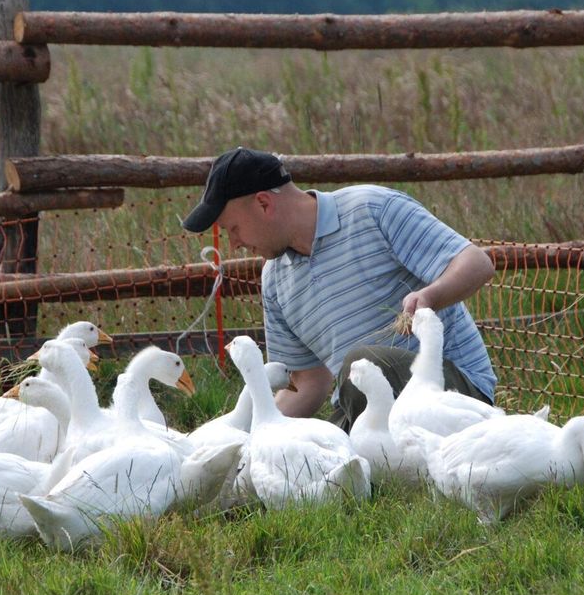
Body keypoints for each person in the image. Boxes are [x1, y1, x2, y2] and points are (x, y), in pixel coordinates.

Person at [182, 146, 497, 430]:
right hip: (364, 411)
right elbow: (309, 384)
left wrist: (430, 297)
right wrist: (258, 438)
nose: (234, 244)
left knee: (362, 366)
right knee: (302, 463)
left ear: (264, 204)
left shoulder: (373, 209)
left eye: (232, 229)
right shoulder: (274, 280)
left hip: (455, 399)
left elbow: (477, 263)